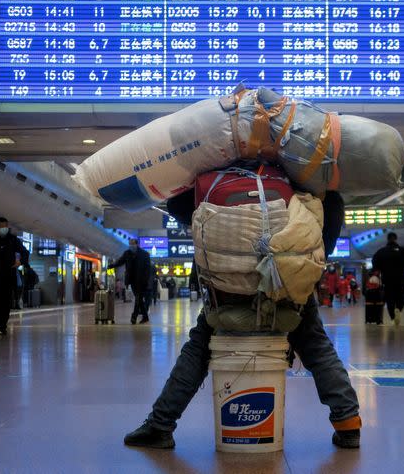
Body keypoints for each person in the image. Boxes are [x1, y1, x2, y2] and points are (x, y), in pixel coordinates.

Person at [124, 191, 362, 450]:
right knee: (316, 346)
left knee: (199, 346)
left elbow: (177, 206)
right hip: (287, 285)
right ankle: (347, 423)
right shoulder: (298, 180)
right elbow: (332, 210)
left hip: (227, 287)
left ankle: (160, 424)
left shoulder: (217, 174)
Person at [371, 232, 404, 326]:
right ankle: (399, 309)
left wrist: (376, 274)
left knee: (390, 299)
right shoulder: (403, 251)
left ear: (388, 239)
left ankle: (393, 317)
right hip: (401, 280)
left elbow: (375, 264)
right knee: (401, 298)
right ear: (396, 239)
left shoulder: (381, 251)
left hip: (387, 280)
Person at [110, 238, 152, 324]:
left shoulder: (144, 254)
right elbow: (120, 261)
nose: (131, 246)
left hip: (141, 281)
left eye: (132, 244)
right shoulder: (127, 253)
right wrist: (112, 265)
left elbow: (148, 270)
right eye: (130, 244)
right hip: (132, 280)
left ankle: (134, 316)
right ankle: (145, 317)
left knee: (138, 298)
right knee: (139, 299)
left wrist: (146, 280)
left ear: (137, 244)